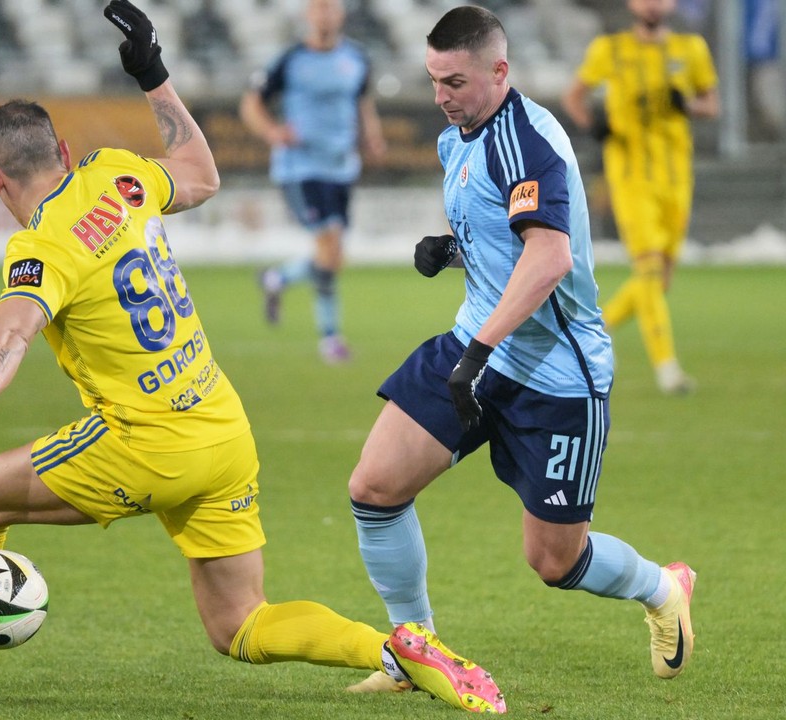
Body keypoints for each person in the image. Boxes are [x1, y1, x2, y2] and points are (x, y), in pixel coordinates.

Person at [0, 1, 504, 714]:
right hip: (222, 429)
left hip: (145, 443)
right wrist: (152, 74)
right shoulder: (118, 174)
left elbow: (15, 325)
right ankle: (396, 650)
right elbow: (203, 175)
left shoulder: (40, 244)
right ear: (61, 152)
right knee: (241, 625)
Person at [345, 5, 697, 696]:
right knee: (374, 489)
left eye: (455, 81)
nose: (441, 96)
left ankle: (663, 586)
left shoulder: (528, 141)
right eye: (434, 80)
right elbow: (505, 242)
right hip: (481, 344)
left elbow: (550, 257)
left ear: (499, 71)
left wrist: (475, 351)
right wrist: (452, 252)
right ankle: (416, 654)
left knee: (554, 560)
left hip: (558, 374)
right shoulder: (459, 138)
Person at [562, 0, 719, 394]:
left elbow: (712, 104)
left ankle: (593, 329)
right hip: (631, 178)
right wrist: (595, 126)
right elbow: (574, 98)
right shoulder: (610, 49)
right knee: (648, 272)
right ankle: (668, 369)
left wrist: (687, 105)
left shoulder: (691, 49)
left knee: (659, 281)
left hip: (677, 178)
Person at [239, 0, 387, 364]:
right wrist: (273, 131)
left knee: (334, 256)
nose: (325, 14)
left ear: (340, 14)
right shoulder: (290, 60)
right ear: (308, 14)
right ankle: (330, 338)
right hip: (300, 168)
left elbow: (362, 103)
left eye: (331, 8)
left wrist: (372, 136)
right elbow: (251, 103)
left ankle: (277, 279)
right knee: (329, 247)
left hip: (341, 168)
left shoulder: (356, 58)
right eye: (318, 7)